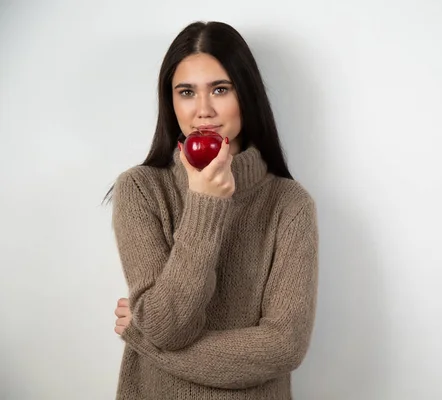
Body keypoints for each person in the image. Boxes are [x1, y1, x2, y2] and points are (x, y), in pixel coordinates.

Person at [107, 20, 319, 400]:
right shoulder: (140, 189)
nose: (203, 110)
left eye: (220, 89)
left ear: (247, 95)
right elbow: (169, 326)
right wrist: (207, 205)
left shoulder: (290, 204)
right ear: (170, 103)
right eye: (186, 92)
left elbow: (284, 347)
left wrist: (142, 336)